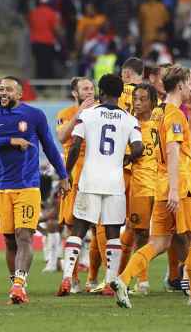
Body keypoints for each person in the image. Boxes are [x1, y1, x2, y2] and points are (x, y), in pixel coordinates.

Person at [113, 65, 191, 308]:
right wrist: (174, 189)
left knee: (158, 242)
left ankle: (123, 278)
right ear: (180, 86)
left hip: (161, 183)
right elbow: (173, 151)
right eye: (189, 85)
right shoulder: (173, 115)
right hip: (181, 184)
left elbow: (190, 140)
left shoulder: (159, 112)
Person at [0, 76, 69, 304]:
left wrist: (64, 175)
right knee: (9, 240)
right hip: (1, 188)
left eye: (9, 89)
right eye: (1, 89)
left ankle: (19, 285)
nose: (3, 93)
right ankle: (15, 285)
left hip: (28, 186)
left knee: (24, 235)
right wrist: (10, 140)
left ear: (19, 94)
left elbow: (49, 145)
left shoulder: (34, 115)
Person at [58, 74, 143, 296]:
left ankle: (67, 277)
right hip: (115, 182)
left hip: (89, 180)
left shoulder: (88, 115)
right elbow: (139, 148)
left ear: (101, 93)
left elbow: (75, 146)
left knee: (79, 229)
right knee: (113, 233)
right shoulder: (129, 119)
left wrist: (65, 174)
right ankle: (110, 282)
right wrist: (127, 158)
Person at [54, 77, 96, 293]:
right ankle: (73, 278)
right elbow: (62, 137)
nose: (89, 92)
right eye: (85, 89)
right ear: (75, 93)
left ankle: (94, 278)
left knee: (99, 229)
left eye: (91, 88)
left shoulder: (101, 111)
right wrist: (79, 113)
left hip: (95, 174)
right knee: (72, 226)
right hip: (73, 175)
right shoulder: (66, 114)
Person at [118, 83, 158, 295]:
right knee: (140, 233)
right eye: (135, 99)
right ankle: (141, 281)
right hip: (140, 186)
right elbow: (124, 158)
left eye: (143, 99)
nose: (138, 103)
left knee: (172, 236)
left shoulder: (160, 125)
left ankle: (183, 276)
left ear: (153, 101)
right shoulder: (128, 126)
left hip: (161, 185)